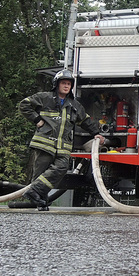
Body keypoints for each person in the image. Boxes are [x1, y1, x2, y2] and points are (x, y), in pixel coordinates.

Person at [19, 69, 105, 211]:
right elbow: (24, 104)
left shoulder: (75, 105)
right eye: (64, 83)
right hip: (45, 143)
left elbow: (85, 120)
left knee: (61, 168)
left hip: (63, 146)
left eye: (69, 84)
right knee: (40, 173)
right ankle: (41, 202)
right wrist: (37, 120)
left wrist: (96, 133)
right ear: (57, 84)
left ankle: (34, 193)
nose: (66, 86)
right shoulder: (45, 98)